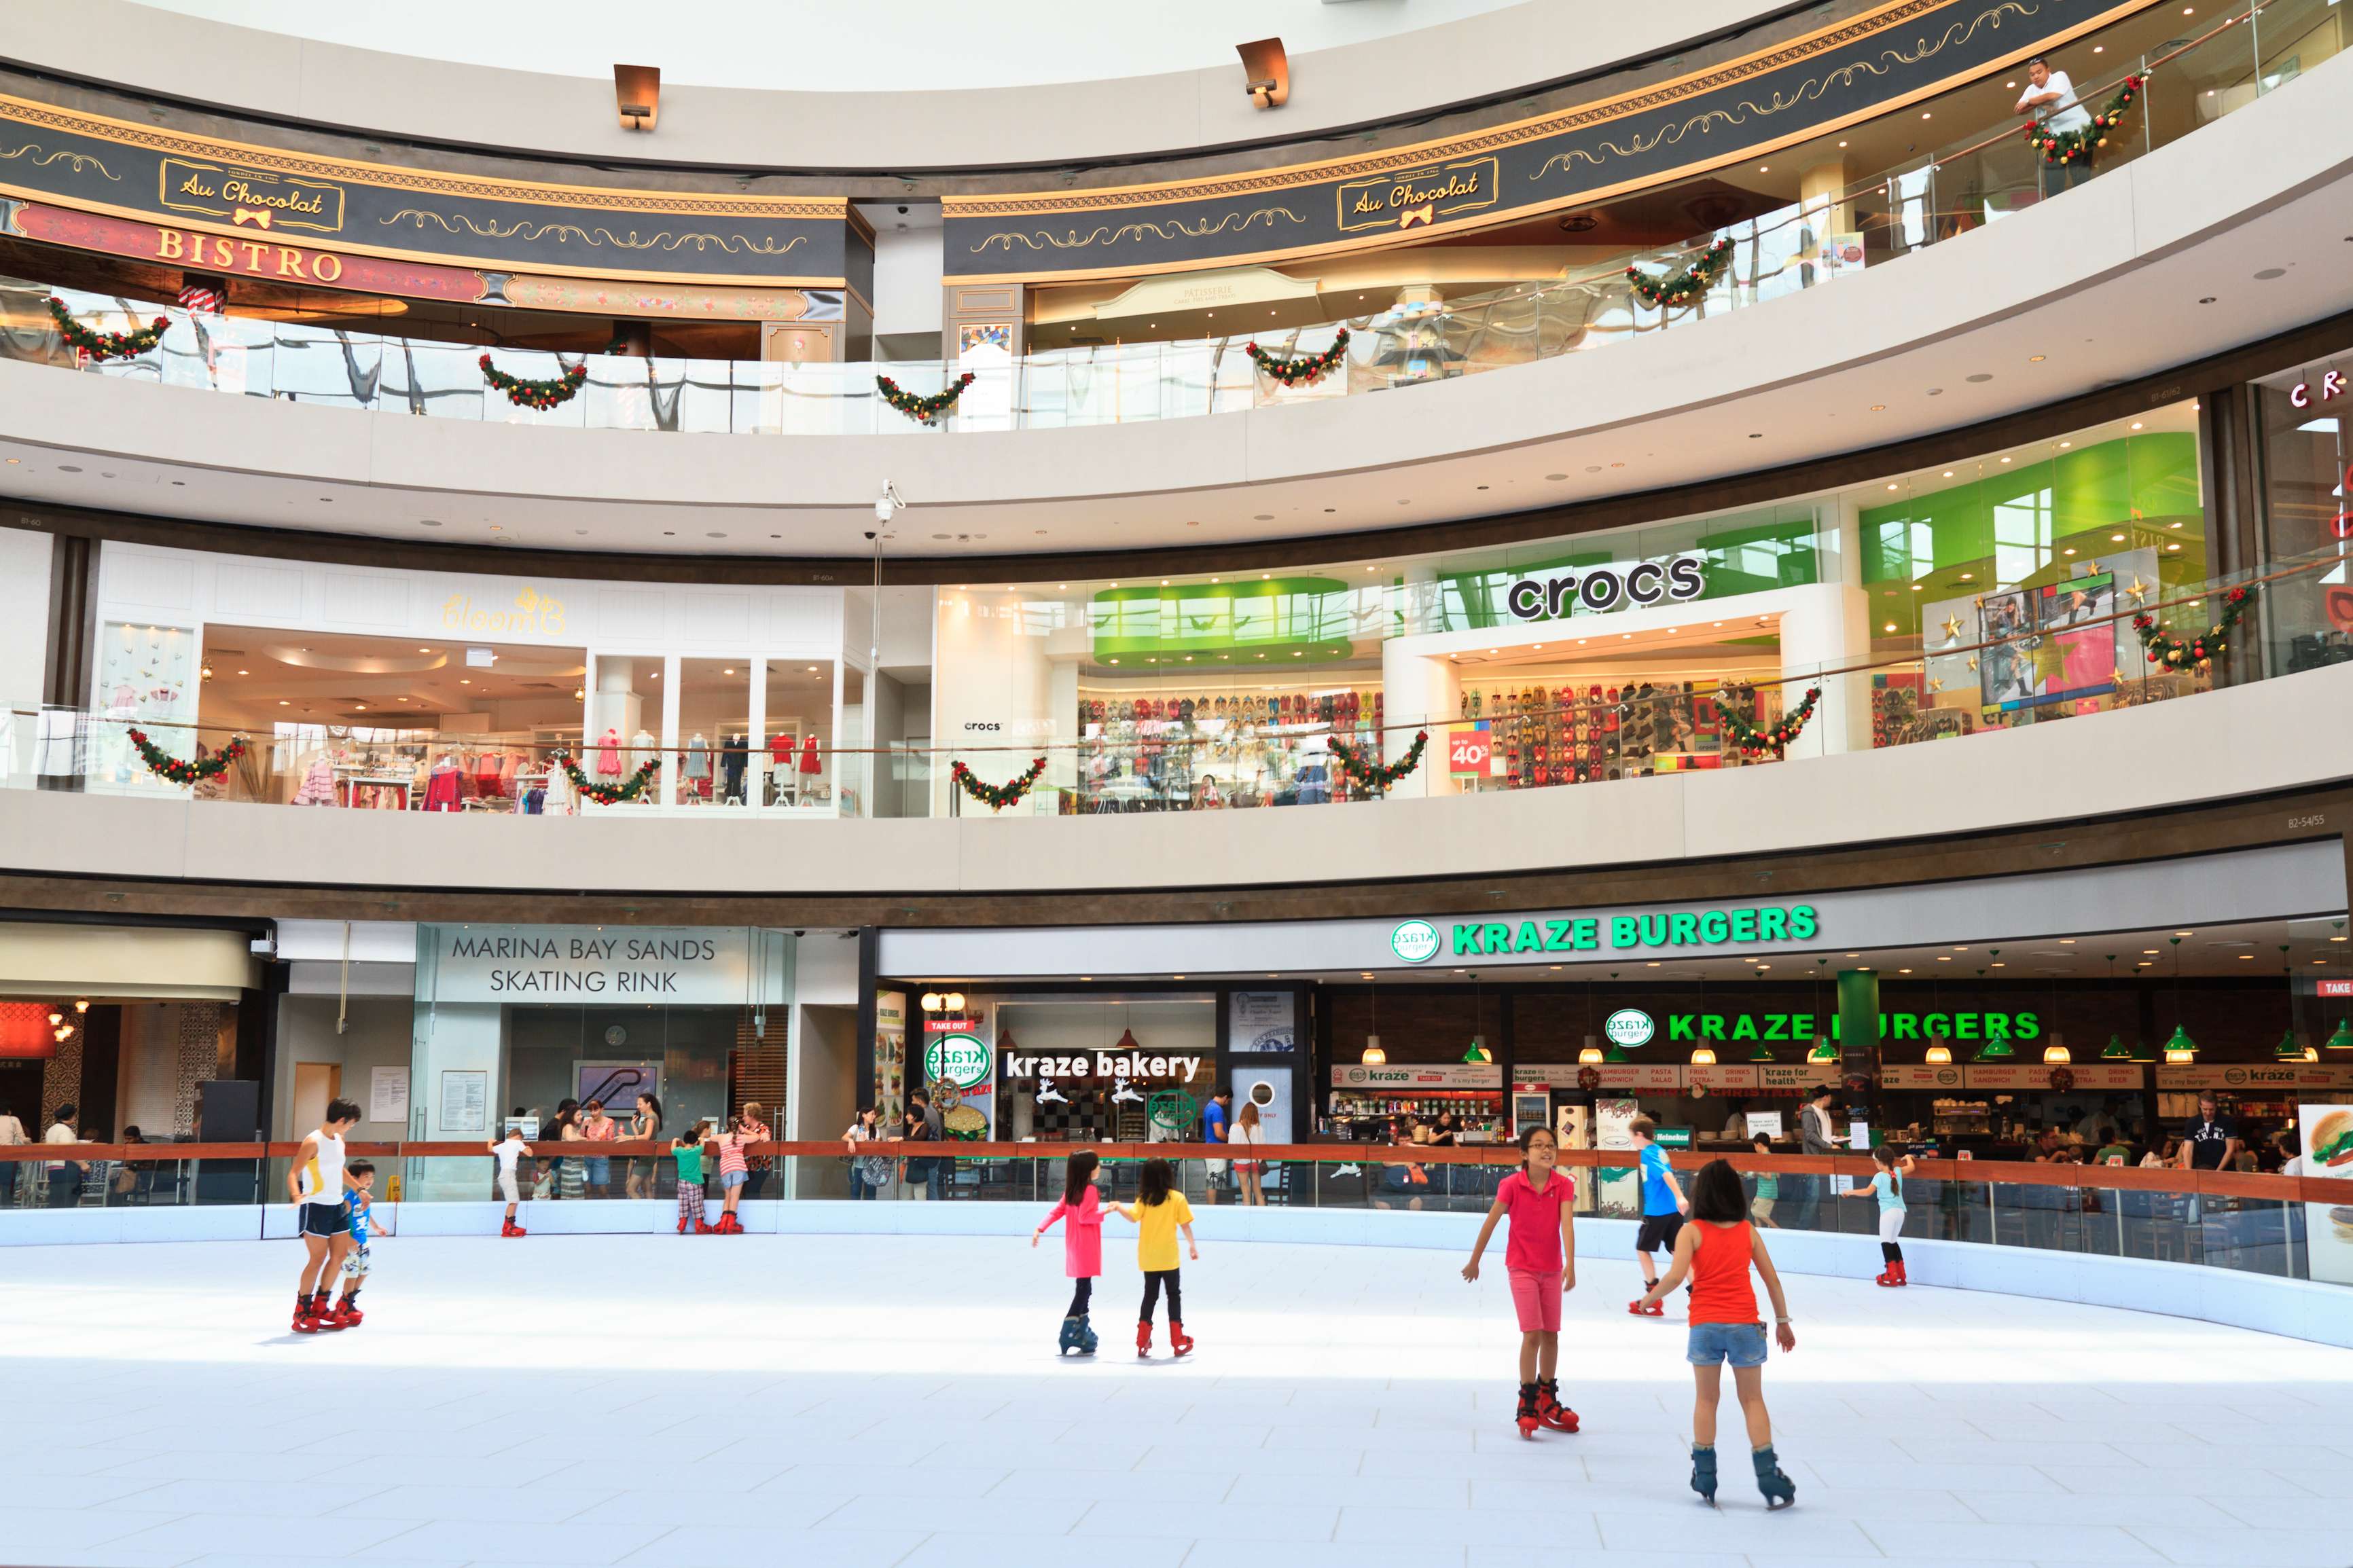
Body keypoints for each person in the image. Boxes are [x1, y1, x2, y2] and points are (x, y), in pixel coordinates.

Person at [1638, 1159, 1799, 1509]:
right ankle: (1768, 1472)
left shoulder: (1690, 1231)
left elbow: (1676, 1277)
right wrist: (1783, 1321)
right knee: (1752, 1400)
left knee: (1706, 1400)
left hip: (1705, 1326)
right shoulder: (1747, 1231)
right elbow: (1772, 1280)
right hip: (1744, 1324)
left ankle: (1706, 1474)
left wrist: (1647, 1299)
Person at [1460, 1125, 1579, 1438]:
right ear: (1524, 1154)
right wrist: (1475, 1260)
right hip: (1522, 1269)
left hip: (1552, 1270)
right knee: (1533, 1335)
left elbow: (1567, 1225)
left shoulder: (1563, 1185)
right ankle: (1526, 1401)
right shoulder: (1511, 1185)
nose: (1546, 1150)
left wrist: (1570, 1263)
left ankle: (1547, 1398)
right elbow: (1490, 1223)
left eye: (1551, 1145)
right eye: (1538, 1145)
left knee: (1552, 1335)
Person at [289, 1098, 362, 1334]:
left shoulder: (340, 1140)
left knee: (339, 1255)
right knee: (317, 1259)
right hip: (317, 1207)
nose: (350, 1128)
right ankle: (302, 1309)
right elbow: (294, 1172)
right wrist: (296, 1195)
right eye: (350, 1124)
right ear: (342, 1120)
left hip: (337, 1205)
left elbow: (338, 1168)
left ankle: (322, 1304)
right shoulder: (313, 1142)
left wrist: (358, 1189)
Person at [1116, 1157, 1198, 1357]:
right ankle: (1177, 1338)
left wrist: (1118, 1207)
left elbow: (1133, 1217)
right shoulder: (1177, 1198)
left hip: (1149, 1257)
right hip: (1169, 1258)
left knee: (1150, 1296)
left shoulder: (1144, 1198)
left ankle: (1142, 1339)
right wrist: (1192, 1246)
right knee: (1173, 1295)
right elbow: (1185, 1225)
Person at [1033, 1148, 1105, 1355]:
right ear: (1088, 1170)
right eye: (1097, 1164)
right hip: (1087, 1246)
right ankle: (1069, 1330)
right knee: (1084, 1289)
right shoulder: (1090, 1191)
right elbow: (1086, 1217)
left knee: (1084, 1287)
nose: (1099, 1167)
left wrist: (1040, 1228)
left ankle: (1081, 1330)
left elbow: (1056, 1211)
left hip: (1075, 1245)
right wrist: (1105, 1213)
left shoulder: (1072, 1190)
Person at [1628, 1116, 1689, 1315]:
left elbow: (1667, 1175)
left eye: (1632, 1137)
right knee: (1678, 1252)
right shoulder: (1660, 1150)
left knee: (1642, 1249)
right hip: (1671, 1212)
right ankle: (1699, 1296)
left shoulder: (1648, 1154)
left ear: (1639, 1134)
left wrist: (1680, 1197)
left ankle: (1653, 1296)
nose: (1632, 1141)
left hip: (1658, 1212)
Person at [2015, 55, 2094, 199]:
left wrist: (2030, 101)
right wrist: (2039, 102)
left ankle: (2086, 200)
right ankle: (2053, 205)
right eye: (2032, 74)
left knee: (2079, 174)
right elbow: (2019, 110)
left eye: (2039, 72)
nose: (2036, 77)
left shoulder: (2059, 76)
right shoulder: (2031, 89)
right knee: (2053, 177)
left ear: (2048, 70)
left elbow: (2053, 95)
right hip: (2055, 139)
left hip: (2079, 132)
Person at [1841, 1144, 1918, 1286]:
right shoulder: (1898, 1172)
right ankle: (1901, 1273)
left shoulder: (1879, 1176)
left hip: (1888, 1213)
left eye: (1875, 1162)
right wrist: (1908, 1158)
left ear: (1880, 1162)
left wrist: (1849, 1192)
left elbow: (1867, 1192)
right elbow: (1912, 1167)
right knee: (1893, 1241)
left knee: (1886, 1242)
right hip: (1900, 1212)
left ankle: (1891, 1274)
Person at [326, 1159, 388, 1328]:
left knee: (365, 1270)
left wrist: (376, 1227)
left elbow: (367, 1214)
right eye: (366, 1176)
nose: (370, 1180)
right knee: (352, 1274)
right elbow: (341, 1219)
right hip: (350, 1244)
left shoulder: (365, 1198)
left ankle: (347, 1300)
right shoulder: (349, 1198)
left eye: (372, 1177)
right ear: (353, 1179)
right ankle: (346, 1305)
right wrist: (347, 1240)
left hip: (363, 1243)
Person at [711, 1111, 759, 1234]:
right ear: (738, 1126)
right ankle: (731, 1223)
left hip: (725, 1168)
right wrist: (744, 1130)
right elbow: (757, 1137)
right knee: (735, 1196)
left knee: (727, 1196)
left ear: (727, 1126)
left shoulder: (721, 1137)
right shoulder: (742, 1138)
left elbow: (710, 1138)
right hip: (738, 1167)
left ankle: (723, 1223)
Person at [2180, 1091, 2241, 1173]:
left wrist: (2218, 1172)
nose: (2208, 1113)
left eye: (2211, 1109)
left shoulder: (2228, 1121)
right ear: (2200, 1106)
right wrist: (2189, 1172)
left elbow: (2230, 1150)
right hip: (2200, 1169)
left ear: (2216, 1106)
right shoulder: (2192, 1123)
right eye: (2205, 1109)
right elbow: (2188, 1150)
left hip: (2225, 1170)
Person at [488, 1125, 530, 1237]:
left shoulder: (503, 1145)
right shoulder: (517, 1143)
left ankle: (510, 1225)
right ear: (518, 1136)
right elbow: (529, 1154)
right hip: (509, 1175)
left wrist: (490, 1141)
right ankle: (508, 1227)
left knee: (513, 1200)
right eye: (521, 1139)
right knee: (513, 1201)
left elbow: (490, 1149)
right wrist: (528, 1147)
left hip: (504, 1174)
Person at [672, 1120, 713, 1233]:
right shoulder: (696, 1151)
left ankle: (682, 1223)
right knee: (697, 1203)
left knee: (683, 1202)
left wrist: (675, 1141)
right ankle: (699, 1225)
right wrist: (701, 1139)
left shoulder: (679, 1151)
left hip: (682, 1182)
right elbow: (703, 1143)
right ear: (695, 1142)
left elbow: (673, 1149)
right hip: (695, 1182)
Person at [843, 1107, 892, 1200]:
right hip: (857, 1167)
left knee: (870, 1195)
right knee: (855, 1193)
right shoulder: (856, 1128)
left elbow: (876, 1148)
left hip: (871, 1168)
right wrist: (850, 1140)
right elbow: (844, 1137)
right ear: (864, 1115)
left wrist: (866, 1142)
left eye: (874, 1114)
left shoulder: (875, 1131)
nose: (874, 1116)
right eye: (872, 1114)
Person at [44, 1103, 86, 1208]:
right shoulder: (65, 1130)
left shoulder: (52, 1129)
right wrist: (82, 1164)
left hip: (53, 1167)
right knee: (67, 1201)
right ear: (71, 1116)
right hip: (66, 1169)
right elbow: (68, 1151)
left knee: (55, 1200)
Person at [624, 1092, 664, 1199]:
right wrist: (633, 1124)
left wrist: (628, 1137)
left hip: (646, 1157)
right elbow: (641, 1136)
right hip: (647, 1155)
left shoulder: (651, 1117)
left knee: (630, 1189)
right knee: (647, 1188)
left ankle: (643, 1210)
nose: (638, 1106)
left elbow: (646, 1137)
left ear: (649, 1104)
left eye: (640, 1104)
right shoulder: (651, 1117)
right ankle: (650, 1212)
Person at [579, 1098, 622, 1198]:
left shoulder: (609, 1122)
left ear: (602, 1109)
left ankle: (606, 1211)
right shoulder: (586, 1122)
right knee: (587, 1189)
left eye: (595, 1110)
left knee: (603, 1189)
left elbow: (610, 1140)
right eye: (590, 1110)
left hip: (601, 1158)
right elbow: (581, 1138)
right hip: (586, 1158)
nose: (593, 1113)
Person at [1229, 1099, 1267, 1207]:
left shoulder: (1235, 1127)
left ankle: (1247, 1219)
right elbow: (1263, 1146)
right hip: (1255, 1162)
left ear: (1243, 1112)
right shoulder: (1259, 1128)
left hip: (1241, 1162)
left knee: (1245, 1191)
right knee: (1258, 1193)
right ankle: (1263, 1217)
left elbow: (1231, 1146)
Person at [904, 1094, 941, 1201]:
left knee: (926, 1188)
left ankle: (933, 1211)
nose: (907, 1116)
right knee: (920, 1189)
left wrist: (902, 1138)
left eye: (913, 1100)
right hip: (918, 1161)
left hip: (925, 1160)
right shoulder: (935, 1113)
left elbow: (920, 1137)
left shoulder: (924, 1123)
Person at [736, 1102, 774, 1200]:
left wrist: (745, 1131)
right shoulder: (747, 1128)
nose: (743, 1118)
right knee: (745, 1192)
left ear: (752, 1116)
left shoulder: (763, 1128)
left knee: (752, 1191)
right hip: (747, 1167)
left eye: (745, 1116)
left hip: (760, 1167)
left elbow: (764, 1137)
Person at [544, 1098, 581, 1199]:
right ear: (566, 1111)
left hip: (562, 1163)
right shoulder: (555, 1126)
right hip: (558, 1164)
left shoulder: (559, 1124)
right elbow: (553, 1149)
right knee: (560, 1190)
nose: (580, 1116)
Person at [1202, 1089, 1232, 1205]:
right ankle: (1213, 1208)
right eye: (1228, 1101)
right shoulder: (1217, 1110)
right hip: (1217, 1150)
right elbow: (1219, 1133)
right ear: (1225, 1097)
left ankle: (1211, 1207)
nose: (1227, 1104)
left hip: (1210, 1149)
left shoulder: (1209, 1106)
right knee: (1215, 1181)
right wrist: (1229, 1138)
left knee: (1212, 1180)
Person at [1748, 1134, 1780, 1228]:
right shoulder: (1771, 1157)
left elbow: (1769, 1176)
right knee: (1757, 1215)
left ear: (1759, 1145)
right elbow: (1778, 1175)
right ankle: (1760, 1235)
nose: (1755, 1149)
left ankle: (1779, 1230)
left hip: (1767, 1192)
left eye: (1754, 1146)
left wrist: (1756, 1172)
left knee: (1757, 1212)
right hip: (1764, 1191)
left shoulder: (1766, 1158)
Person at [0, 1098, 25, 1207]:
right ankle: (6, 1210)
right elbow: (22, 1138)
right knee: (7, 1185)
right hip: (9, 1155)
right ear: (9, 1111)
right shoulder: (13, 1120)